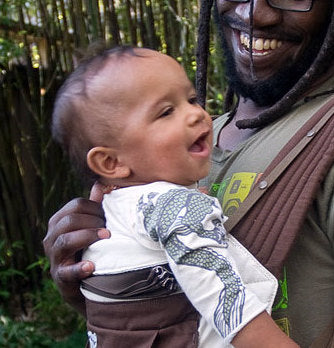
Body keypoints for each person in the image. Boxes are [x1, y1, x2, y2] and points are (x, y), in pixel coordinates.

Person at [44, 1, 334, 347]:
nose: (254, 13)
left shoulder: (323, 139)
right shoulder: (171, 160)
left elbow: (228, 304)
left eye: (192, 100)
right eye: (166, 111)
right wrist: (107, 282)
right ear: (110, 163)